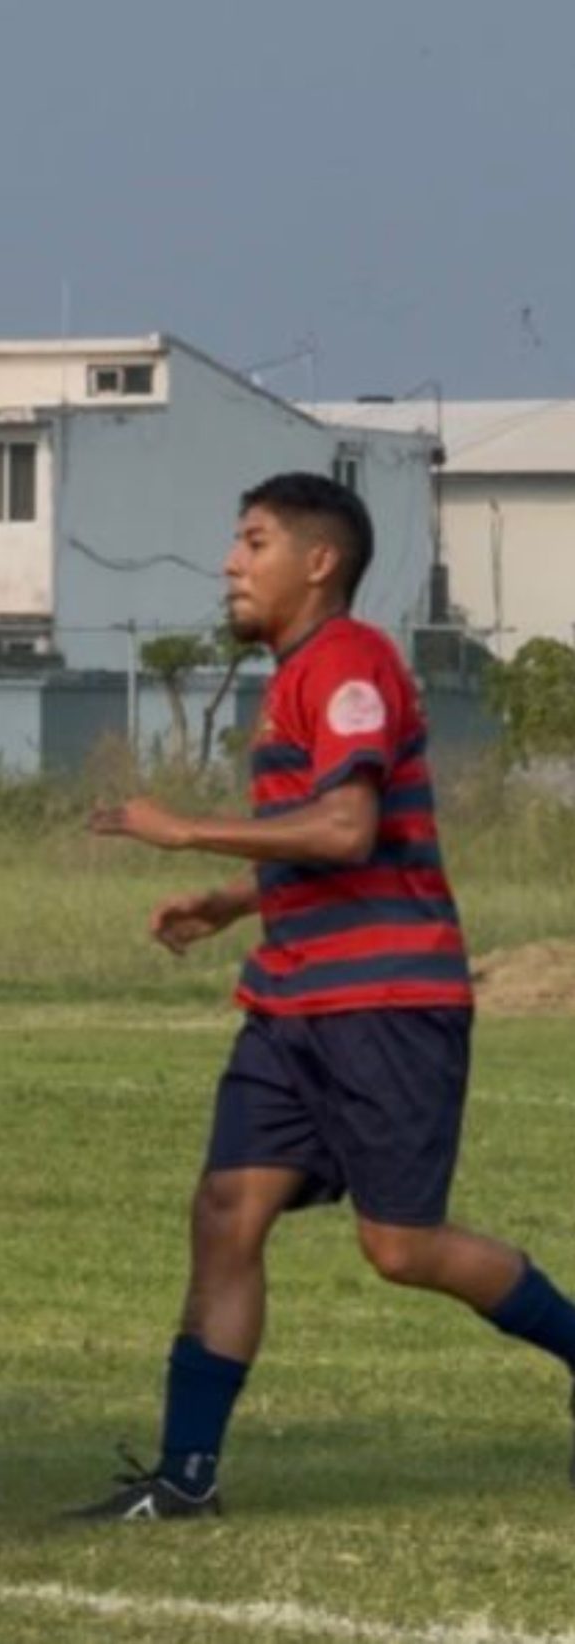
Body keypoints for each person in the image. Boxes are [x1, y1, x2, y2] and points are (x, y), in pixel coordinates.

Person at [80, 472, 575, 1519]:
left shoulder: (350, 661)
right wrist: (230, 901)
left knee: (400, 1248)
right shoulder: (296, 674)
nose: (230, 562)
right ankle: (186, 1478)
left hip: (384, 1002)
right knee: (226, 1212)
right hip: (292, 1003)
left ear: (318, 562)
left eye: (252, 541)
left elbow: (348, 830)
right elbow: (323, 844)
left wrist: (187, 832)